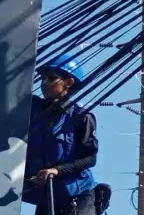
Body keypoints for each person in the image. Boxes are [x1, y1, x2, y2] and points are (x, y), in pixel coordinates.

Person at [23, 53, 99, 215]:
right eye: (42, 78)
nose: (44, 83)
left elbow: (90, 158)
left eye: (50, 78)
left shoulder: (81, 117)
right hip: (48, 196)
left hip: (77, 197)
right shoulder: (33, 109)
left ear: (69, 82)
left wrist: (57, 170)